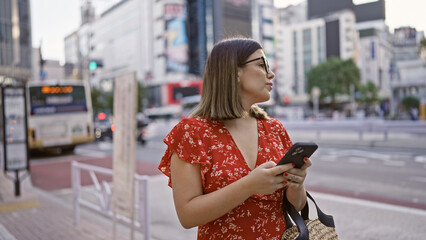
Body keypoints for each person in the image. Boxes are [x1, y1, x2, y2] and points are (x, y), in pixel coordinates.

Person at [158, 37, 312, 239]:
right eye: (261, 64)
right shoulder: (192, 132)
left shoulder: (275, 129)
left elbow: (296, 205)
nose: (271, 73)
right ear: (234, 71)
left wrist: (297, 184)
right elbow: (187, 216)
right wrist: (249, 185)